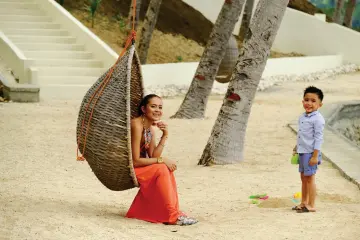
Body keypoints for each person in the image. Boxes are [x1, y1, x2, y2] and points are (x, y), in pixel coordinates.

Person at [126, 94, 198, 225]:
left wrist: (165, 135)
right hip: (130, 168)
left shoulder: (150, 129)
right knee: (162, 167)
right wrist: (162, 159)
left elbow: (153, 155)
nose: (157, 110)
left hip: (143, 167)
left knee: (165, 168)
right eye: (153, 106)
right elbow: (135, 161)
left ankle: (174, 212)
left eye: (160, 107)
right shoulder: (136, 125)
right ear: (143, 109)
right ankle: (172, 216)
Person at [292, 86, 325, 213]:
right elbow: (301, 134)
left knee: (310, 178)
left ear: (320, 104)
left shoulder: (318, 119)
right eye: (306, 100)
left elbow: (318, 139)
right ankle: (303, 202)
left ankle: (311, 205)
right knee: (303, 178)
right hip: (302, 151)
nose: (309, 103)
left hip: (311, 153)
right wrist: (296, 147)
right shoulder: (303, 117)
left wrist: (315, 156)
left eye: (313, 101)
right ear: (302, 101)